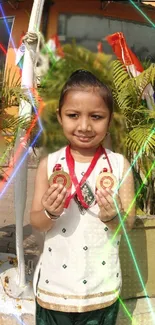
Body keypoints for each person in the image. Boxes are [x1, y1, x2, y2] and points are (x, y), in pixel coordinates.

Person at [30, 69, 135, 325]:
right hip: (55, 287)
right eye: (73, 115)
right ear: (60, 117)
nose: (85, 126)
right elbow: (36, 222)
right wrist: (49, 213)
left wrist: (113, 217)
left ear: (109, 120)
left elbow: (127, 225)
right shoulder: (49, 164)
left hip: (102, 287)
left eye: (96, 117)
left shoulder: (120, 166)